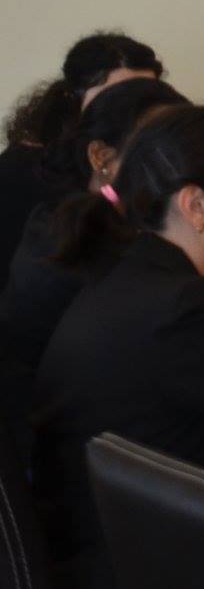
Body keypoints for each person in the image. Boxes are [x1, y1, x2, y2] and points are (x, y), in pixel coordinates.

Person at [30, 104, 204, 589]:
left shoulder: (120, 279)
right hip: (155, 578)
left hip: (90, 568)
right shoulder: (190, 307)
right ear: (195, 205)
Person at [0, 78, 189, 428]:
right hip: (65, 436)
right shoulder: (82, 241)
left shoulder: (62, 219)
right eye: (160, 153)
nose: (181, 171)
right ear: (101, 157)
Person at [0, 32, 164, 288]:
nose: (132, 112)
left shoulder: (145, 159)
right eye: (115, 97)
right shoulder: (28, 171)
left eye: (148, 98)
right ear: (75, 100)